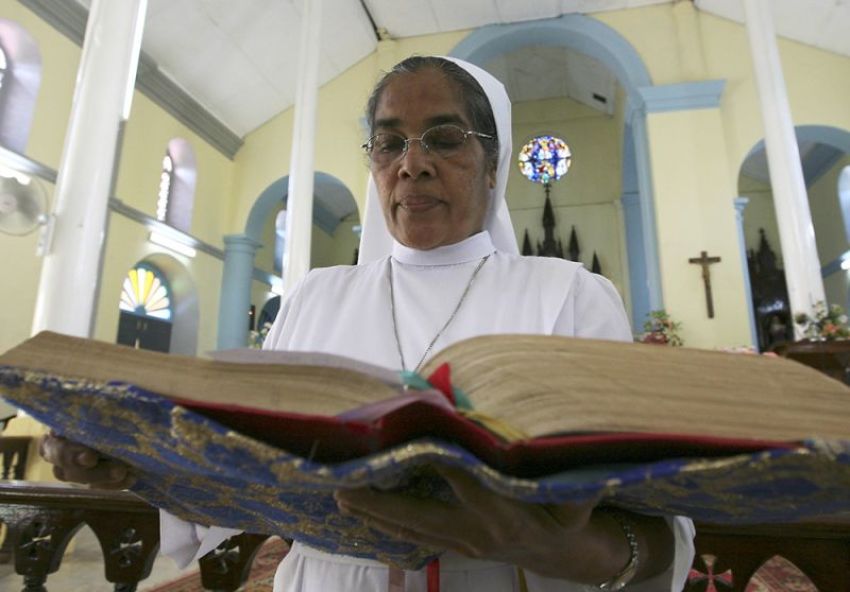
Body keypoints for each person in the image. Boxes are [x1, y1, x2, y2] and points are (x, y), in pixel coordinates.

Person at [41, 56, 695, 592]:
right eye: (389, 144)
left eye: (444, 138)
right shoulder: (313, 297)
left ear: (494, 167)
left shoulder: (570, 296)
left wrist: (553, 544)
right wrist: (134, 459)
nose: (412, 164)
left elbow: (655, 531)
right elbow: (244, 480)